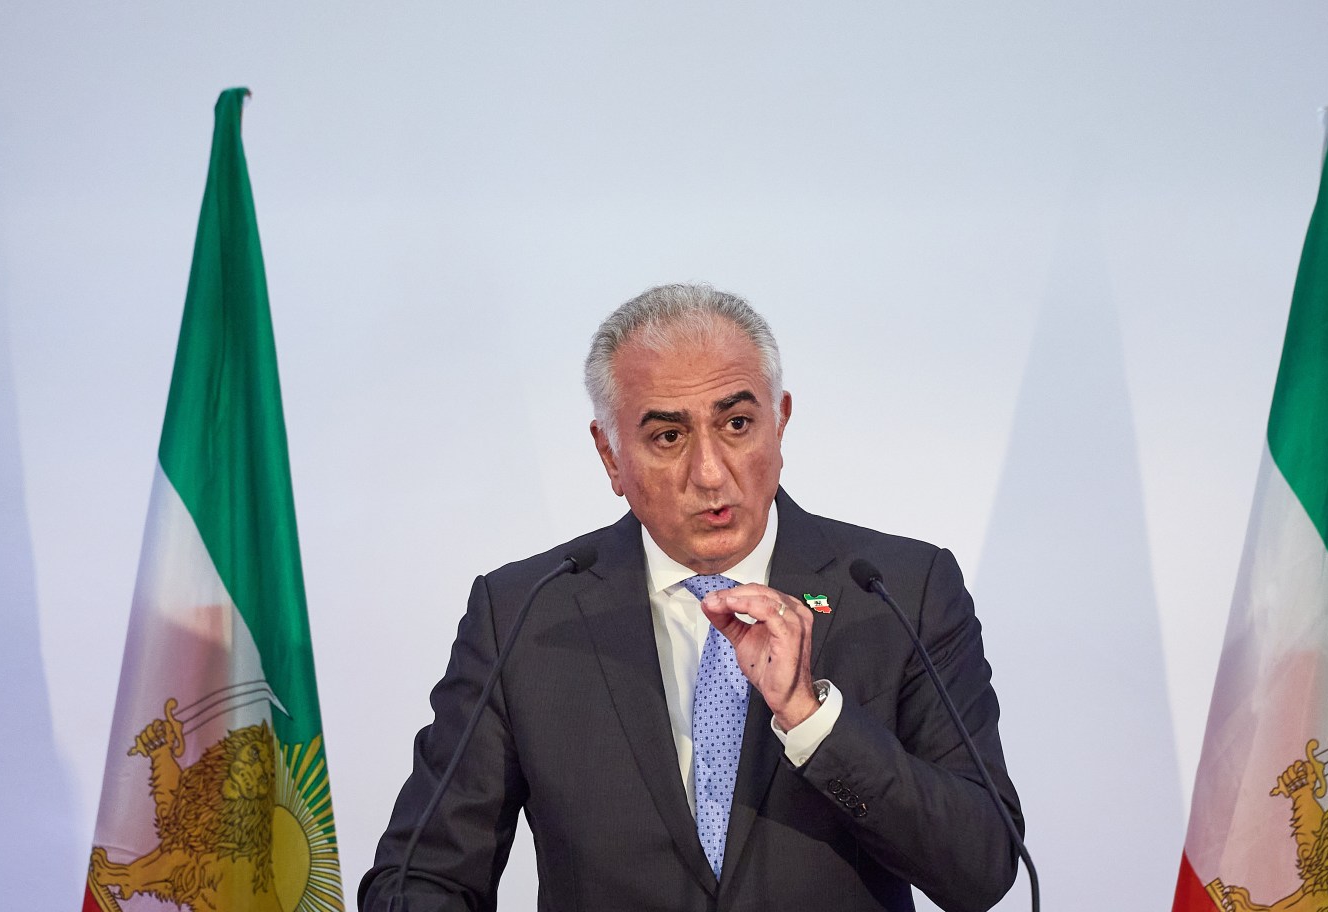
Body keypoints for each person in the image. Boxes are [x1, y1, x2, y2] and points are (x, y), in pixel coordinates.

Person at [359, 284, 1021, 912]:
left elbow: (982, 867)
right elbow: (421, 876)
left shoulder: (898, 591)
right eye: (668, 437)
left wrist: (810, 719)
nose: (709, 473)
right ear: (610, 455)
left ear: (779, 423)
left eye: (736, 423)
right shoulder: (526, 615)